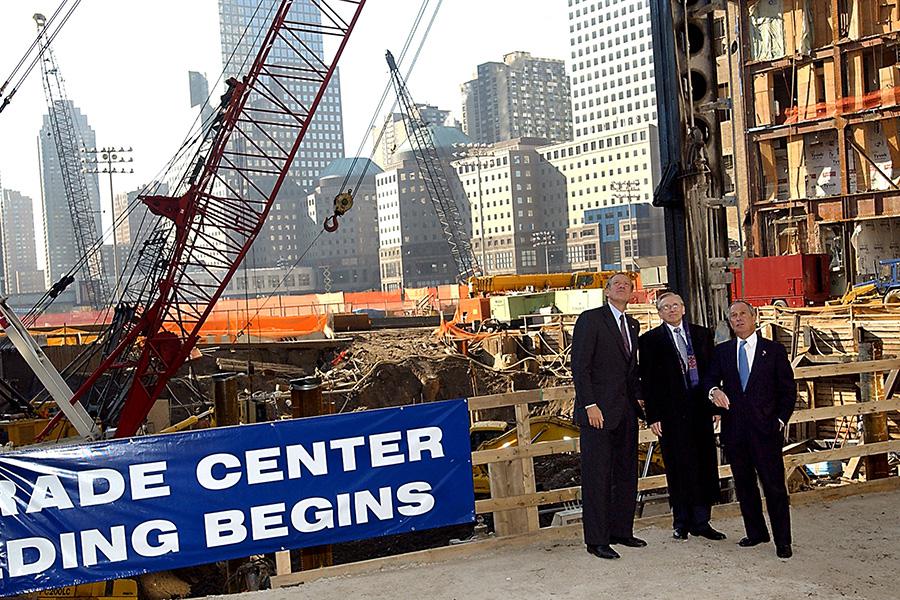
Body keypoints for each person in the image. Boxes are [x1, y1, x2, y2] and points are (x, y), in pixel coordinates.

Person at [704, 300, 796, 559]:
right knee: (744, 485)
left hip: (766, 431)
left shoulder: (774, 351)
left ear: (754, 317)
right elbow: (709, 380)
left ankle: (783, 541)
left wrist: (779, 420)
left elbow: (788, 391)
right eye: (733, 315)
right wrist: (714, 391)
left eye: (743, 313)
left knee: (774, 487)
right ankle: (756, 532)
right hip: (735, 431)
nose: (738, 319)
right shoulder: (723, 352)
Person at [638, 292, 725, 541]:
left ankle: (702, 521)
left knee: (704, 465)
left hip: (700, 409)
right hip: (670, 414)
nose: (672, 310)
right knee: (677, 467)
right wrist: (653, 416)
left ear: (683, 308)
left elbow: (712, 373)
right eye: (666, 307)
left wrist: (715, 408)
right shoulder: (650, 340)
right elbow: (649, 381)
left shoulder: (701, 334)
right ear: (660, 313)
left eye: (675, 305)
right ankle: (681, 521)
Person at [572, 272, 646, 560]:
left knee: (626, 474)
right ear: (606, 291)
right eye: (617, 284)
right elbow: (580, 366)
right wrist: (590, 404)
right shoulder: (591, 320)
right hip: (598, 412)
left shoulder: (633, 324)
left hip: (625, 411)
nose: (623, 287)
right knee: (598, 476)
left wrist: (640, 399)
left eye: (627, 285)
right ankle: (597, 540)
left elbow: (630, 370)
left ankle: (621, 531)